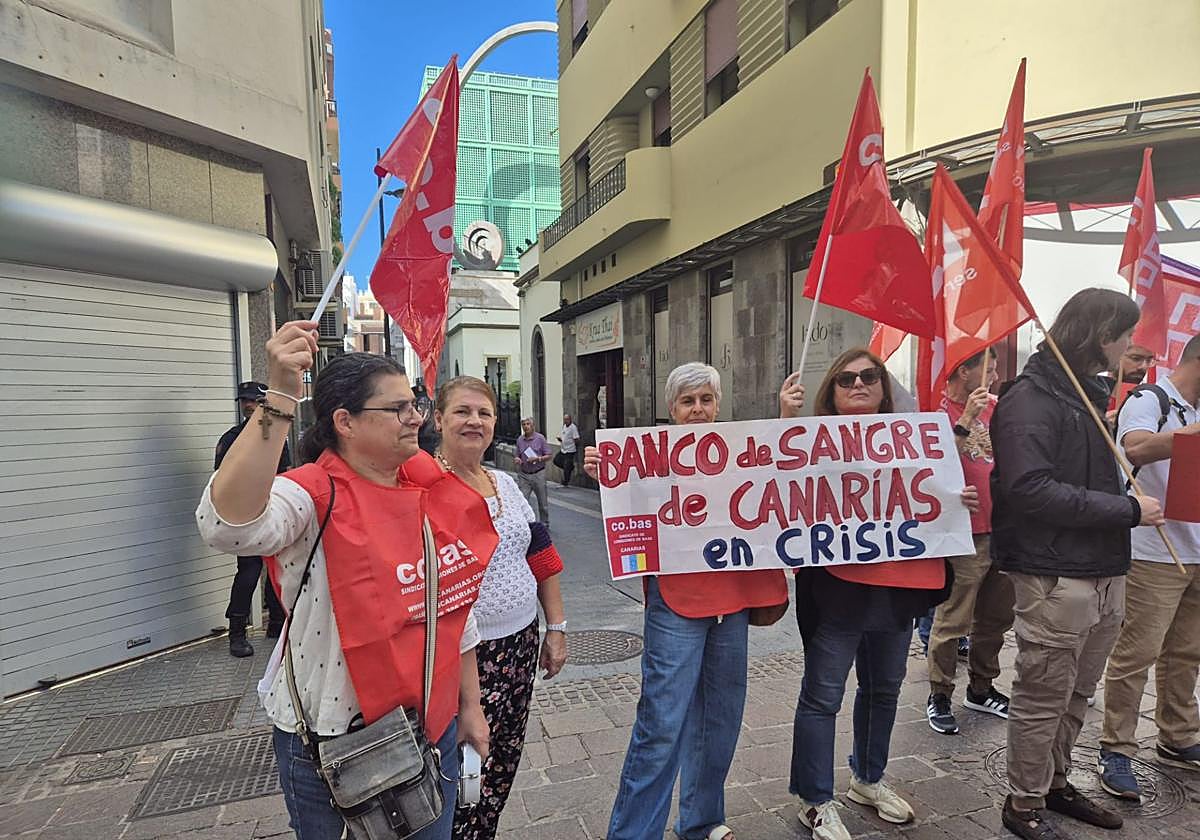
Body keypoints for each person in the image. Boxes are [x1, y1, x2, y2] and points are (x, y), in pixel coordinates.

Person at [196, 324, 493, 840]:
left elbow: (451, 607)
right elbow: (226, 527)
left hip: (430, 728)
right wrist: (282, 395)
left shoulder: (428, 486)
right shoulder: (311, 494)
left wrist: (470, 707)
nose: (415, 418)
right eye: (397, 408)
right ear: (345, 422)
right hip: (334, 745)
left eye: (415, 403)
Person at [584, 363, 789, 840]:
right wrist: (606, 473)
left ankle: (700, 820)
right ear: (672, 410)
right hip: (676, 605)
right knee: (661, 725)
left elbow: (787, 479)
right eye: (687, 401)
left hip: (733, 604)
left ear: (718, 405)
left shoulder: (744, 453)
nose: (698, 409)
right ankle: (635, 833)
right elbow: (628, 502)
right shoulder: (650, 458)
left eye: (706, 400)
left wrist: (785, 416)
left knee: (720, 719)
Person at [779, 351, 978, 840]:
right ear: (832, 390)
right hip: (837, 589)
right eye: (846, 378)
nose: (859, 384)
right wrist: (785, 418)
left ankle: (868, 779)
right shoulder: (811, 440)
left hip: (899, 589)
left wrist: (955, 500)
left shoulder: (914, 439)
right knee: (823, 696)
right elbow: (778, 478)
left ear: (885, 387)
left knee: (884, 690)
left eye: (870, 376)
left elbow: (934, 487)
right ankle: (815, 799)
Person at [990, 288, 1165, 840]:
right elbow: (1029, 489)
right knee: (1043, 694)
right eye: (1126, 336)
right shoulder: (1031, 398)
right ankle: (1023, 803)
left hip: (1103, 568)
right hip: (1054, 574)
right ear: (1100, 335)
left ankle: (1055, 781)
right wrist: (1128, 510)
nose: (1132, 348)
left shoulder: (1087, 392)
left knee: (1077, 692)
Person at [434, 376, 568, 840]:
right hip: (465, 655)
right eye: (463, 412)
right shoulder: (425, 488)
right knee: (466, 759)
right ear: (439, 420)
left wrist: (557, 626)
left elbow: (541, 554)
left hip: (520, 643)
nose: (475, 421)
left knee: (504, 757)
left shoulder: (506, 483)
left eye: (484, 413)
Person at [1099, 333, 1200, 800]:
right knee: (1136, 653)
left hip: (1196, 550)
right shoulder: (1150, 398)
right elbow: (1134, 449)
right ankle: (1115, 747)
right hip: (1155, 551)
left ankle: (1178, 735)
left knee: (1187, 653)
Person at [926, 348, 1014, 735]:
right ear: (964, 371)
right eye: (987, 370)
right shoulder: (934, 414)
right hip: (964, 532)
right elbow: (934, 465)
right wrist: (966, 419)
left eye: (995, 371)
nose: (992, 378)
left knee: (996, 617)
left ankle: (982, 687)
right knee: (953, 618)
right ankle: (940, 693)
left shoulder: (1000, 408)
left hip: (1005, 530)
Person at [213, 380, 289, 657]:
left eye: (253, 401)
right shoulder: (233, 438)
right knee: (249, 572)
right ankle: (237, 632)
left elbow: (285, 473)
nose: (248, 405)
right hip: (245, 515)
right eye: (244, 401)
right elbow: (220, 479)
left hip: (273, 510)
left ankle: (277, 623)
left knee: (277, 567)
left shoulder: (274, 436)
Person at [515, 417, 551, 526]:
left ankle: (544, 522)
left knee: (542, 501)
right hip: (524, 474)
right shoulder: (520, 440)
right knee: (522, 499)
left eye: (528, 424)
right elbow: (518, 454)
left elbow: (549, 455)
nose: (526, 426)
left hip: (538, 473)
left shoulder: (540, 438)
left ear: (533, 426)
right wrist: (517, 459)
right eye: (524, 425)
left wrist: (538, 459)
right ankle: (523, 522)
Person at [556, 413, 580, 486]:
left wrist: (573, 445)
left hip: (570, 450)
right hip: (563, 449)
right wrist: (561, 440)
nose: (566, 421)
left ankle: (565, 482)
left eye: (567, 419)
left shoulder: (573, 427)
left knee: (566, 466)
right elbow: (564, 437)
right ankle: (570, 468)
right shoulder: (564, 426)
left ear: (570, 419)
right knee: (556, 460)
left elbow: (577, 438)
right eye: (565, 419)